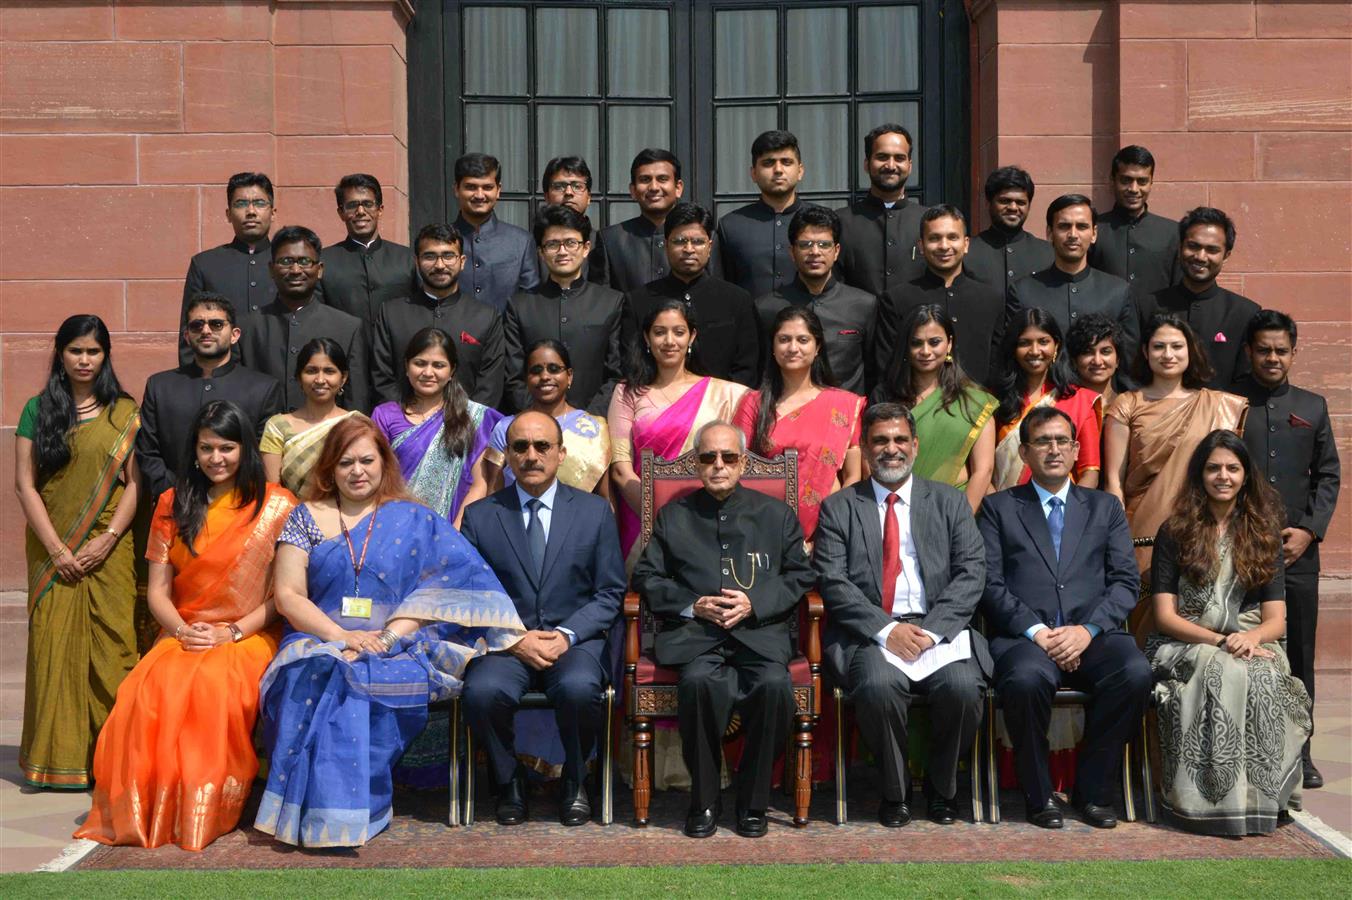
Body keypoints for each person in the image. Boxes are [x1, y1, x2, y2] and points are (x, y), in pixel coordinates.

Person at [254, 415, 525, 847]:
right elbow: (288, 596)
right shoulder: (303, 517)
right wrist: (341, 639)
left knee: (364, 676)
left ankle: (351, 810)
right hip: (317, 635)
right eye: (345, 463)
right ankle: (316, 812)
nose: (357, 471)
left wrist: (383, 639)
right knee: (317, 671)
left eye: (366, 460)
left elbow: (443, 587)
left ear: (384, 463)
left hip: (399, 643)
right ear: (329, 468)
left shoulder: (414, 518)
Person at [75, 401, 297, 850]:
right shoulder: (173, 503)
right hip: (184, 629)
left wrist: (232, 632)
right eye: (207, 448)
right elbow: (158, 590)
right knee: (142, 691)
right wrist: (181, 631)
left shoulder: (277, 505)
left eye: (227, 448)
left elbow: (283, 596)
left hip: (250, 632)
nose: (217, 458)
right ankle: (154, 811)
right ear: (194, 452)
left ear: (245, 449)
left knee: (214, 689)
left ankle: (204, 810)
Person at [632, 421, 815, 839]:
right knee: (696, 683)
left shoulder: (776, 515)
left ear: (743, 462)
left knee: (773, 687)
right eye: (708, 457)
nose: (718, 465)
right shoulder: (674, 516)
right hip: (698, 639)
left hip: (760, 634)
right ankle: (705, 800)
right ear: (697, 463)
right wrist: (692, 605)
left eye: (728, 457)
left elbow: (800, 575)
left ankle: (753, 804)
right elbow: (647, 576)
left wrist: (756, 603)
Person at [814, 403, 989, 826]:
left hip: (937, 630)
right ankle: (895, 793)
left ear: (914, 445)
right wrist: (886, 629)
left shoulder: (948, 501)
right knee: (877, 686)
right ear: (864, 447)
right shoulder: (840, 507)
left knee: (964, 688)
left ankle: (941, 788)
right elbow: (833, 580)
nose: (890, 449)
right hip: (872, 633)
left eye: (898, 440)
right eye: (880, 441)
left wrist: (930, 632)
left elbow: (972, 572)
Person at [979, 406, 1152, 830]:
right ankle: (1039, 797)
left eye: (1061, 441)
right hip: (1025, 639)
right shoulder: (998, 508)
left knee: (1134, 673)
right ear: (1024, 452)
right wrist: (1039, 632)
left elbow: (1126, 583)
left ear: (1076, 449)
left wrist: (1086, 630)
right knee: (1023, 681)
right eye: (1042, 441)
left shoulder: (1104, 508)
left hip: (1091, 635)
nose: (1053, 450)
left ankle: (1092, 792)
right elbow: (988, 583)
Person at [461, 411, 626, 826]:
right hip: (506, 644)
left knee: (579, 688)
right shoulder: (481, 517)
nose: (531, 456)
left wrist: (568, 635)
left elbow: (610, 592)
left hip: (572, 643)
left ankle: (575, 779)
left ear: (561, 453)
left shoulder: (594, 512)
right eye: (520, 447)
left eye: (542, 446)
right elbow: (468, 596)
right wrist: (514, 639)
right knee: (481, 692)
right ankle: (509, 781)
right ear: (508, 456)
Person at [1148, 430, 1312, 835]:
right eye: (1213, 468)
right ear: (1199, 475)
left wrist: (1251, 639)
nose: (1223, 476)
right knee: (1223, 672)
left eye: (1232, 468)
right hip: (1185, 641)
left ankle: (1262, 801)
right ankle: (1204, 802)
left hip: (1251, 640)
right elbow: (1164, 617)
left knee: (1263, 676)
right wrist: (1220, 640)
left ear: (1246, 476)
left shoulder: (1262, 532)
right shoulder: (1175, 531)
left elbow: (1276, 619)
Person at [15, 316, 141, 790]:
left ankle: (113, 758)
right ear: (60, 355)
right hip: (52, 549)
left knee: (113, 648)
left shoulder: (125, 411)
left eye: (93, 352)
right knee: (53, 648)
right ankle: (56, 760)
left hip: (108, 549)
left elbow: (136, 486)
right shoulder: (38, 409)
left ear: (106, 356)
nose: (84, 360)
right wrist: (57, 548)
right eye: (75, 351)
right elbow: (25, 486)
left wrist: (106, 539)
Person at [1236, 310, 1341, 789]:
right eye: (1264, 349)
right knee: (1242, 648)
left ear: (1293, 353)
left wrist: (1310, 530)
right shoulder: (1232, 404)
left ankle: (1302, 752)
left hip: (1298, 552)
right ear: (1250, 352)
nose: (1272, 358)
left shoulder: (1313, 406)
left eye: (1281, 350)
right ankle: (1243, 750)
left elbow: (1329, 475)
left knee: (1299, 652)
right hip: (1239, 549)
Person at [1103, 314, 1248, 578]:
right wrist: (1116, 530)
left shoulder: (1217, 404)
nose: (1167, 354)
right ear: (1146, 352)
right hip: (1141, 525)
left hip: (1202, 522)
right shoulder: (1127, 404)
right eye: (1159, 346)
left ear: (1190, 351)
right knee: (1143, 608)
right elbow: (1114, 478)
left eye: (1177, 346)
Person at [608, 299, 749, 567]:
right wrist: (660, 518)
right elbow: (620, 469)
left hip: (708, 521)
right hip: (643, 521)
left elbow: (737, 464)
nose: (669, 341)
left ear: (692, 336)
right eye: (660, 332)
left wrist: (694, 520)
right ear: (647, 338)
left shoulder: (726, 393)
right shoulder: (628, 393)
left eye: (679, 332)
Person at [137, 293, 282, 507]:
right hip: (173, 506)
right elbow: (147, 451)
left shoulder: (262, 388)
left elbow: (263, 456)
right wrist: (177, 494)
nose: (206, 331)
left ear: (234, 334)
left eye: (216, 324)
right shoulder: (160, 386)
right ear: (187, 336)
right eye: (197, 325)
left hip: (239, 509)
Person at [732, 306, 863, 542]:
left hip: (830, 530)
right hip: (766, 529)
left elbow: (854, 476)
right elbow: (737, 467)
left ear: (817, 347)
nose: (793, 348)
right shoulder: (754, 403)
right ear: (772, 347)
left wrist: (832, 526)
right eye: (784, 340)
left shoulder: (844, 404)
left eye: (803, 340)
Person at [371, 327, 503, 529]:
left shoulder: (472, 417)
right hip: (394, 527)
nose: (428, 372)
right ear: (407, 367)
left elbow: (479, 484)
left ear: (451, 371)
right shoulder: (385, 415)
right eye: (420, 363)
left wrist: (454, 535)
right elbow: (376, 478)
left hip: (454, 530)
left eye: (438, 365)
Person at [504, 205, 626, 415]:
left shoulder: (611, 302)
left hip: (594, 424)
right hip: (534, 427)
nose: (562, 252)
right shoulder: (520, 305)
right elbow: (513, 376)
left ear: (586, 248)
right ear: (541, 252)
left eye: (571, 243)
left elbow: (616, 374)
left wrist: (589, 419)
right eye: (553, 244)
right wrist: (536, 418)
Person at [874, 305, 996, 512]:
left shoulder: (973, 402)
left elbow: (983, 471)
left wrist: (961, 522)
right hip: (894, 512)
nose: (925, 351)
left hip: (955, 509)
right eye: (916, 343)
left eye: (934, 342)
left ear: (949, 344)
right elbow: (872, 459)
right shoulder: (886, 396)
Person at [624, 202, 759, 387]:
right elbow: (632, 363)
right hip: (656, 408)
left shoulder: (737, 300)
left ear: (710, 246)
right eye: (679, 241)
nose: (689, 249)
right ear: (666, 245)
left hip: (723, 409)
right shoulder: (639, 301)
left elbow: (747, 367)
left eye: (697, 242)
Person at [239, 225, 370, 412]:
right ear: (271, 269)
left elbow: (356, 400)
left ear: (320, 270)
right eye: (285, 261)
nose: (295, 270)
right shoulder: (248, 327)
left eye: (304, 261)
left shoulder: (348, 328)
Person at [372, 223, 505, 406]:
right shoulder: (391, 314)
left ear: (462, 261)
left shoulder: (486, 316)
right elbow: (382, 377)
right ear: (417, 261)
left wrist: (466, 423)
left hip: (466, 427)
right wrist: (404, 422)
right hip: (404, 428)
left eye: (448, 256)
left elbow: (490, 384)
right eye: (430, 256)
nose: (440, 265)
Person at [875, 205, 1005, 387]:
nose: (944, 246)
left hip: (979, 409)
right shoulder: (896, 299)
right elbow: (887, 367)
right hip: (915, 408)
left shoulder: (991, 299)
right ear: (921, 245)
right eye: (935, 238)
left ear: (966, 244)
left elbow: (998, 365)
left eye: (952, 237)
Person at [754, 206, 877, 395]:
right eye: (805, 245)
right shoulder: (767, 308)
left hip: (846, 414)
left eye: (823, 245)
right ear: (792, 252)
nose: (815, 252)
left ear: (836, 251)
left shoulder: (863, 305)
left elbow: (874, 372)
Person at [1135, 207, 1259, 389]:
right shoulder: (1147, 306)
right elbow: (1133, 369)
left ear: (1226, 256)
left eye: (1212, 250)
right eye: (1193, 246)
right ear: (1180, 247)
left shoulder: (1244, 313)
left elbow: (1246, 382)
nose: (1201, 257)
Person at [1009, 194, 1138, 361]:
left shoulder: (1118, 292)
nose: (1073, 234)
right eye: (1064, 226)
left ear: (1094, 234)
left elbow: (1128, 358)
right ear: (1049, 233)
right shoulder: (1023, 292)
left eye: (1082, 226)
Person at [991, 309, 1101, 491]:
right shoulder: (993, 399)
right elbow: (983, 469)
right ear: (1013, 348)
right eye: (1024, 343)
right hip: (1004, 510)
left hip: (1063, 512)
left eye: (1043, 342)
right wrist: (1001, 511)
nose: (1035, 351)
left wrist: (1071, 512)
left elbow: (1090, 473)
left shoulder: (1080, 400)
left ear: (1056, 345)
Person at [489, 340, 611, 496]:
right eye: (536, 370)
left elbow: (605, 499)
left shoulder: (595, 429)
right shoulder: (506, 428)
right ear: (526, 379)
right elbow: (493, 496)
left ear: (569, 376)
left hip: (577, 519)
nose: (545, 376)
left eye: (554, 369)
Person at [178, 172, 276, 364]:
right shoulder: (205, 264)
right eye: (241, 204)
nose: (251, 211)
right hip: (221, 377)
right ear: (228, 214)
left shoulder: (289, 265)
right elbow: (189, 331)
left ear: (272, 213)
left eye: (259, 203)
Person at [834, 123, 928, 296]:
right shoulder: (841, 221)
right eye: (882, 157)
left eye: (899, 158)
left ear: (910, 165)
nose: (891, 165)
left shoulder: (928, 221)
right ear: (866, 164)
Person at [260, 337, 361, 497]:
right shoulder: (277, 427)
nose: (320, 380)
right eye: (311, 371)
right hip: (293, 517)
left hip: (348, 516)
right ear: (299, 377)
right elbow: (273, 493)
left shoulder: (357, 425)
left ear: (343, 378)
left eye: (329, 371)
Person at [317, 174, 415, 330]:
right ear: (341, 213)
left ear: (380, 210)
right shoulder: (323, 261)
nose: (361, 211)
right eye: (352, 205)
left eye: (368, 204)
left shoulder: (408, 259)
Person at [717, 130, 807, 299]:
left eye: (787, 162)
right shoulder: (731, 226)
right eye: (768, 163)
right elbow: (723, 287)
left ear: (800, 170)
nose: (778, 170)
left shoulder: (821, 222)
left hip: (810, 323)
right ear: (753, 173)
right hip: (749, 323)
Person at [1090, 145, 1180, 303]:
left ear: (1151, 182)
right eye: (1126, 180)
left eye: (1142, 181)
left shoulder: (1173, 233)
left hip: (1157, 325)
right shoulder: (1093, 229)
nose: (1134, 189)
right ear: (1112, 180)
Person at [588, 149, 687, 292]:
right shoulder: (611, 240)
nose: (653, 187)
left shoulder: (700, 238)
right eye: (645, 180)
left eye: (662, 179)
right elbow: (602, 301)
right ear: (633, 190)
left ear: (678, 188)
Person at [452, 152, 539, 312]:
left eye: (487, 187)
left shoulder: (521, 242)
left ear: (498, 190)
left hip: (505, 336)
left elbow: (530, 302)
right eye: (471, 187)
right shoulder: (441, 241)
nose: (479, 195)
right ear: (457, 189)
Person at [964, 166, 1054, 299]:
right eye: (1005, 201)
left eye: (1020, 202)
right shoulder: (967, 251)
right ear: (988, 203)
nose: (1013, 208)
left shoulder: (1047, 253)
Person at [1067, 312, 1134, 411]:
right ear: (1074, 361)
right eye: (1088, 352)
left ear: (1118, 360)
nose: (1097, 361)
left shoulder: (1133, 407)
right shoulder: (1063, 408)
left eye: (1105, 352)